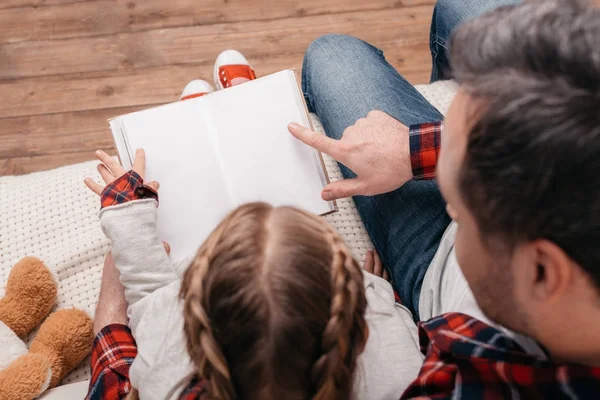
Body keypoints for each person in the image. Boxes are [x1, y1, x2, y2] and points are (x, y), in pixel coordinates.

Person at [288, 0, 600, 397]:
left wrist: (377, 303)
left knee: (333, 54)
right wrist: (418, 150)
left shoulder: (458, 386)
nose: (452, 208)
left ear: (540, 270)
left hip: (438, 271)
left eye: (463, 208)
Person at [84, 52, 426, 400]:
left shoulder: (166, 369)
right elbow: (390, 317)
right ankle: (243, 112)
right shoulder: (399, 371)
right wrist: (378, 293)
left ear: (190, 318)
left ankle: (208, 126)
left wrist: (126, 216)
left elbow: (150, 295)